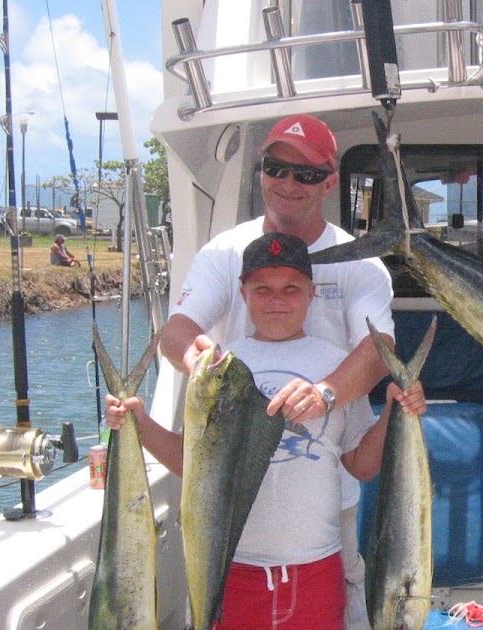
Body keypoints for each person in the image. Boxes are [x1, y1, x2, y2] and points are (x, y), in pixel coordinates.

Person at [157, 113, 411, 628]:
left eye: (308, 174)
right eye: (277, 168)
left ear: (330, 181)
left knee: (333, 603)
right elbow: (176, 331)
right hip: (228, 491)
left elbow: (379, 345)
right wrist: (200, 362)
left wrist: (325, 393)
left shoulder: (360, 262)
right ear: (261, 171)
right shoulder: (223, 253)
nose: (289, 184)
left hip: (328, 482)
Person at [108, 233, 424, 629]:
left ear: (312, 293)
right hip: (230, 570)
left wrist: (396, 413)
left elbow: (361, 465)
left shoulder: (338, 369)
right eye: (263, 289)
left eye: (291, 288)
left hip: (318, 569)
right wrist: (140, 423)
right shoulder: (219, 371)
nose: (277, 299)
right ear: (243, 294)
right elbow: (193, 466)